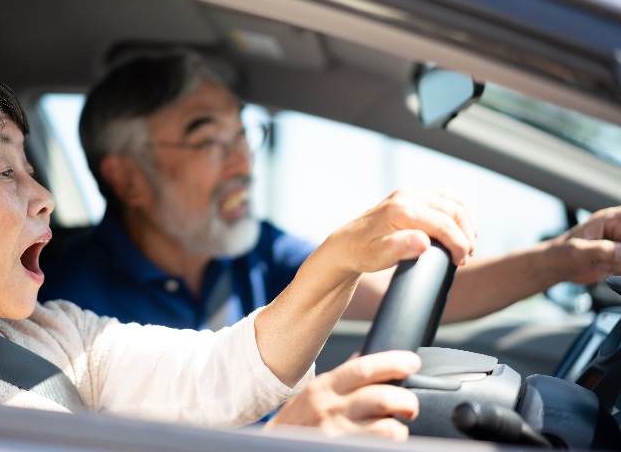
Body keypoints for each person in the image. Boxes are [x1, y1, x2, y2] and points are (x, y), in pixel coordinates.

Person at [0, 62, 477, 440]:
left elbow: (220, 375)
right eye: (4, 172)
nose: (45, 195)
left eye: (32, 168)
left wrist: (340, 255)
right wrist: (282, 450)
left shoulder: (53, 335)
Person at [39, 49, 621, 331]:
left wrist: (561, 260)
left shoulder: (261, 253)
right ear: (129, 176)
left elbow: (403, 288)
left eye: (245, 134)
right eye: (210, 139)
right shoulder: (56, 294)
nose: (243, 161)